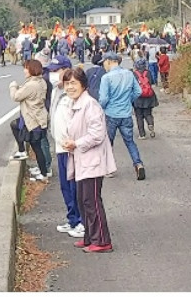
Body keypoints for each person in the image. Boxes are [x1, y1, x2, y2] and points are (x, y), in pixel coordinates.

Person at [62, 65, 116, 253]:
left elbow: (97, 134)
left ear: (83, 84)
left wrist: (76, 143)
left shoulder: (90, 105)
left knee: (91, 201)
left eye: (74, 83)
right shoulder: (75, 103)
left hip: (92, 160)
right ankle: (90, 237)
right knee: (83, 200)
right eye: (67, 84)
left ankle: (102, 240)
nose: (70, 87)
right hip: (82, 160)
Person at [46, 56, 84, 239]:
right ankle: (72, 218)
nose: (54, 74)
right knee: (65, 186)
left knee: (73, 186)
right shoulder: (56, 91)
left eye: (57, 70)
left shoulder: (72, 95)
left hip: (70, 148)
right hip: (60, 146)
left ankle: (80, 221)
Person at [98, 52, 145, 180]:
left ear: (109, 61)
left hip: (111, 114)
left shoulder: (106, 78)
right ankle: (138, 164)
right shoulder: (129, 74)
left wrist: (101, 107)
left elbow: (103, 99)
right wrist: (128, 100)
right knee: (130, 141)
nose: (103, 66)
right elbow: (138, 91)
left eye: (104, 63)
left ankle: (109, 169)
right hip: (126, 113)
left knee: (108, 143)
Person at [10, 59, 50, 180]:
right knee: (15, 125)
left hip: (32, 119)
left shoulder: (32, 85)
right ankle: (42, 170)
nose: (24, 70)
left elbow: (16, 96)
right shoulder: (41, 81)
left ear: (32, 69)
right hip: (38, 117)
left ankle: (43, 173)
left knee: (36, 147)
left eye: (26, 68)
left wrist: (12, 86)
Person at [132, 59, 159, 139]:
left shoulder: (134, 74)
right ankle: (150, 124)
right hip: (149, 97)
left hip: (138, 97)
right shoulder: (148, 73)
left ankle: (142, 134)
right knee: (148, 113)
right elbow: (152, 82)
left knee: (139, 116)